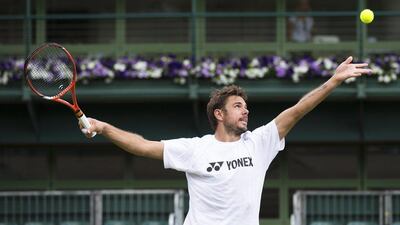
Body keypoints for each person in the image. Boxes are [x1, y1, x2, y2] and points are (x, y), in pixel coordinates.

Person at [80, 56, 371, 225]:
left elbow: (296, 111)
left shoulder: (259, 143)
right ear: (219, 114)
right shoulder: (196, 148)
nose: (246, 111)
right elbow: (142, 145)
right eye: (237, 106)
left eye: (246, 106)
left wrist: (333, 81)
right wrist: (104, 127)